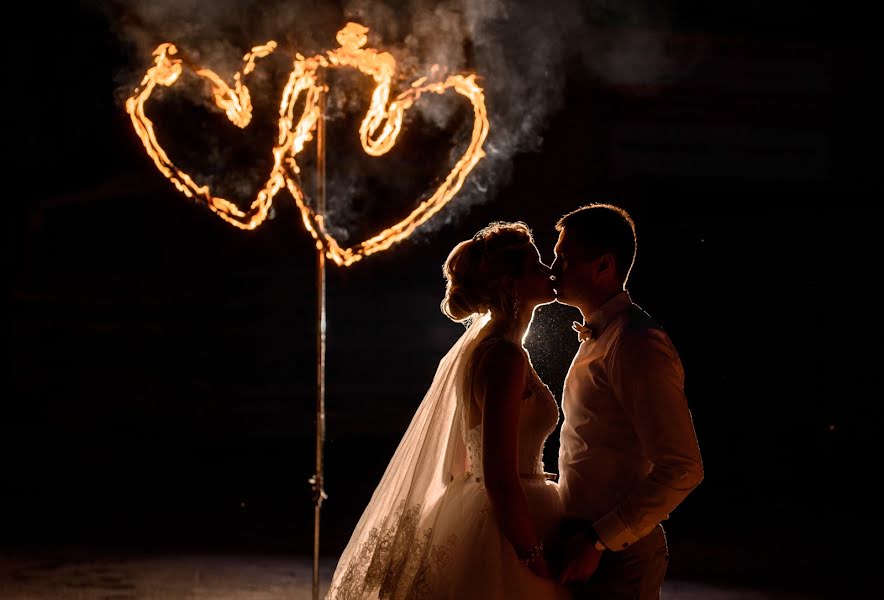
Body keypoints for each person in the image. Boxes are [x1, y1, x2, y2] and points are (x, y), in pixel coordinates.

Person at [326, 221, 570, 599]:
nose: (547, 271)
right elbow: (500, 478)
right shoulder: (505, 356)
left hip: (488, 507)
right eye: (536, 265)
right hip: (507, 525)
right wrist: (532, 555)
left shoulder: (485, 349)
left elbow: (462, 459)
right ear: (510, 284)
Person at [551, 203, 704, 599]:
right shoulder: (601, 337)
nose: (553, 269)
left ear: (603, 266)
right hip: (587, 546)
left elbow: (683, 467)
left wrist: (599, 540)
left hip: (615, 557)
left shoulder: (635, 342)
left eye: (564, 258)